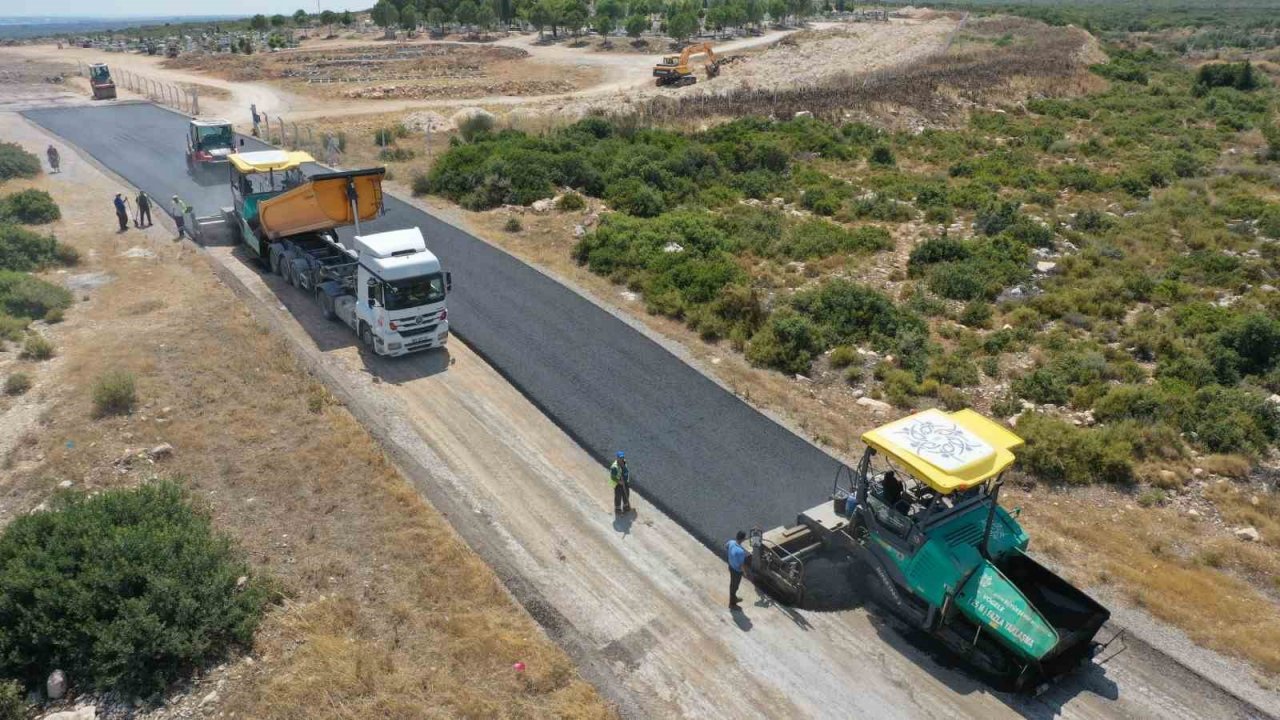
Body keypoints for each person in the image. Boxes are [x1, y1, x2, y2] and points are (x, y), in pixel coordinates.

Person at [725, 531, 748, 610]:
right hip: (736, 571)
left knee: (733, 585)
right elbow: (741, 565)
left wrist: (731, 555)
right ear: (743, 539)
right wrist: (744, 573)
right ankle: (732, 604)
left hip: (731, 567)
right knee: (734, 586)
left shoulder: (731, 542)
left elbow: (726, 546)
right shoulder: (740, 551)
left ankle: (734, 598)